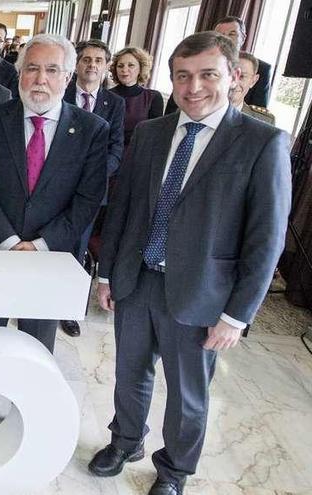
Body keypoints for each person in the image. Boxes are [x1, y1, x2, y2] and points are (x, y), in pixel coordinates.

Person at [88, 31, 291, 495]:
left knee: (187, 395)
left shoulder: (263, 143)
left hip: (203, 295)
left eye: (207, 75)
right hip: (137, 280)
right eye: (183, 76)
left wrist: (236, 315)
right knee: (129, 372)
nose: (193, 87)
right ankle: (125, 441)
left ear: (233, 76)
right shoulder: (150, 133)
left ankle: (174, 470)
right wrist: (107, 273)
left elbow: (266, 240)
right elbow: (124, 208)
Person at [0, 33, 108, 435]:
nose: (40, 79)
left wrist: (39, 245)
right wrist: (10, 241)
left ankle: (29, 412)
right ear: (19, 72)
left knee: (36, 342)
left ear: (69, 76)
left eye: (52, 70)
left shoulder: (93, 129)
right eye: (32, 68)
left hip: (51, 258)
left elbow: (86, 201)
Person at [59, 39, 126, 338]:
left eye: (98, 60)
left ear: (106, 65)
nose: (92, 65)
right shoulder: (62, 93)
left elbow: (116, 147)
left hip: (92, 191)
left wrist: (93, 176)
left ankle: (71, 310)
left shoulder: (115, 104)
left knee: (78, 251)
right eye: (86, 59)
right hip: (55, 187)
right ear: (76, 64)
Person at [110, 47, 164, 146]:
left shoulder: (153, 97)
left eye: (131, 65)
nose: (124, 70)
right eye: (120, 66)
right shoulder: (106, 95)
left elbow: (154, 134)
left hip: (138, 152)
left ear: (140, 68)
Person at [230, 51, 276, 125]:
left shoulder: (263, 122)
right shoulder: (205, 110)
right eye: (230, 75)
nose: (234, 83)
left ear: (253, 81)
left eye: (242, 76)